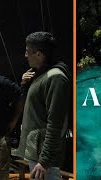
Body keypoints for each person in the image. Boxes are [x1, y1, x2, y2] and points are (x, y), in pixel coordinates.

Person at [16, 31, 71, 180]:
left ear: (39, 54)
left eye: (28, 51)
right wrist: (24, 85)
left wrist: (44, 161)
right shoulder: (40, 75)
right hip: (37, 151)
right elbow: (33, 107)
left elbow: (56, 123)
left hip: (44, 158)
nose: (25, 55)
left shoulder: (56, 78)